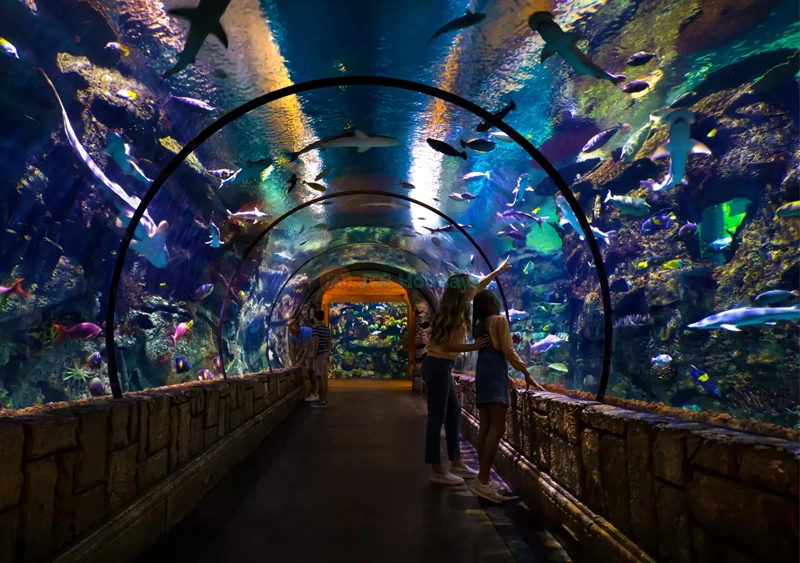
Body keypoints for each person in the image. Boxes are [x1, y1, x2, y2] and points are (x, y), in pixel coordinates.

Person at [422, 258, 511, 486]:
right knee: (437, 418)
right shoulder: (451, 317)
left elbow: (481, 284)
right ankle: (437, 468)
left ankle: (457, 462)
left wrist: (498, 271)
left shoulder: (458, 308)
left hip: (443, 366)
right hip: (437, 365)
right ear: (461, 292)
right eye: (468, 287)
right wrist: (473, 346)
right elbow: (446, 346)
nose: (473, 289)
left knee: (453, 413)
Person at [470, 289, 543, 502]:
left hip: (483, 375)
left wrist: (508, 379)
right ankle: (482, 481)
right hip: (493, 376)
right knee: (497, 427)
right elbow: (508, 351)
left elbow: (490, 354)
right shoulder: (499, 320)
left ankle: (482, 480)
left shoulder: (478, 325)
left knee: (485, 426)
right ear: (493, 303)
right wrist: (526, 372)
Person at [288, 320, 317, 402]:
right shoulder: (291, 335)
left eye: (292, 329)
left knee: (313, 372)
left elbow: (308, 349)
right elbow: (292, 350)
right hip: (308, 350)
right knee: (310, 371)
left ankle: (315, 393)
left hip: (315, 350)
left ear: (298, 327)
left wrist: (299, 362)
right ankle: (313, 392)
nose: (291, 332)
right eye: (290, 330)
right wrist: (293, 362)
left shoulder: (307, 332)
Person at [310, 309, 331, 408]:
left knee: (319, 377)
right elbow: (329, 342)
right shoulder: (327, 328)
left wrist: (314, 353)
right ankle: (324, 398)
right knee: (324, 377)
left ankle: (322, 400)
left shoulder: (315, 328)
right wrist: (328, 353)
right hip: (325, 353)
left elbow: (316, 340)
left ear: (315, 317)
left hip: (319, 354)